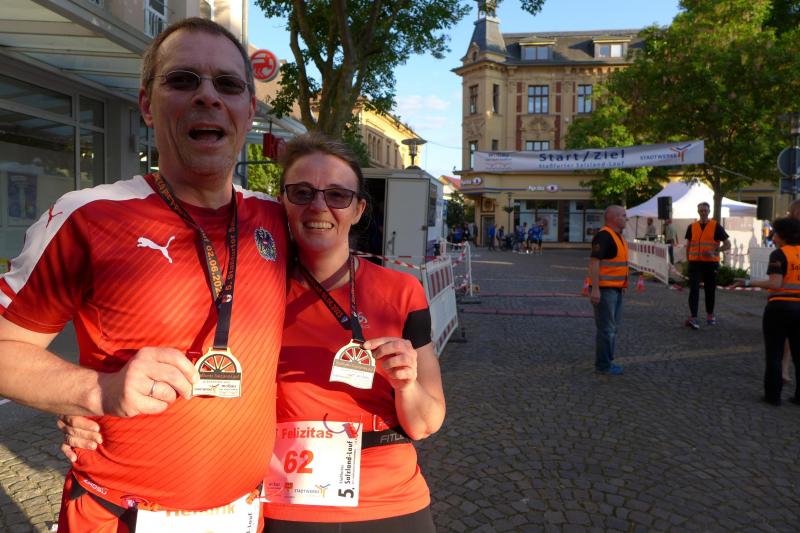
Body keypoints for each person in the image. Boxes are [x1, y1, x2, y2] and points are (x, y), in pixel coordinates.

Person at [60, 134, 446, 532]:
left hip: (391, 498)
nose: (319, 206)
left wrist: (406, 384)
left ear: (358, 208)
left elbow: (425, 423)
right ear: (281, 202)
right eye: (301, 193)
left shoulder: (401, 292)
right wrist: (89, 398)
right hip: (288, 503)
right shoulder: (249, 285)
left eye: (337, 195)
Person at [0, 18, 288, 531]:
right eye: (182, 79)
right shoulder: (89, 216)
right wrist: (94, 391)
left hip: (246, 514)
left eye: (228, 84)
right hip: (118, 516)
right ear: (146, 106)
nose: (207, 96)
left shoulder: (278, 220)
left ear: (249, 111)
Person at [733, 217, 800, 405]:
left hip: (780, 308)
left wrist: (748, 282)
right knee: (799, 354)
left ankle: (773, 396)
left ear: (783, 235)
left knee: (774, 353)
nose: (773, 237)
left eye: (775, 233)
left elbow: (775, 283)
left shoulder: (779, 254)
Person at [588, 205, 629, 375]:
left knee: (612, 328)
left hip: (615, 289)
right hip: (605, 290)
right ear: (614, 217)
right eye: (623, 215)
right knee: (606, 328)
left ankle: (607, 361)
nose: (626, 218)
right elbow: (594, 262)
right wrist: (595, 289)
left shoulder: (618, 236)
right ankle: (603, 365)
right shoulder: (604, 236)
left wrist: (622, 285)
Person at [684, 201, 731, 329]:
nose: (703, 212)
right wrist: (688, 261)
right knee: (694, 290)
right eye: (701, 210)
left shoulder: (716, 226)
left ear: (709, 211)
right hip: (695, 263)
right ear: (698, 212)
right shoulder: (692, 227)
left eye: (705, 210)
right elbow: (688, 246)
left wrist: (715, 251)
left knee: (709, 290)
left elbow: (728, 244)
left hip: (710, 264)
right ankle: (693, 317)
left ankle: (710, 314)